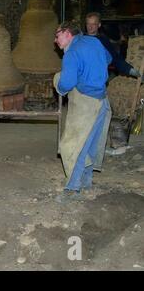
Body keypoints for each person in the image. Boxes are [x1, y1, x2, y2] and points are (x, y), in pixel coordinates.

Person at [53, 21, 112, 203]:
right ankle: (86, 182)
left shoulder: (71, 53)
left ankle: (72, 189)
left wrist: (59, 85)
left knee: (72, 146)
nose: (55, 40)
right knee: (90, 144)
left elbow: (67, 83)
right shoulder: (93, 42)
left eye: (57, 35)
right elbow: (108, 58)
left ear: (67, 32)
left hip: (86, 104)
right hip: (102, 102)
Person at [85, 12, 141, 79]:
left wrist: (130, 70)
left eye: (93, 24)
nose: (90, 27)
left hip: (97, 78)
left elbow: (115, 57)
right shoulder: (80, 40)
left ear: (99, 25)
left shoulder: (103, 40)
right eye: (88, 24)